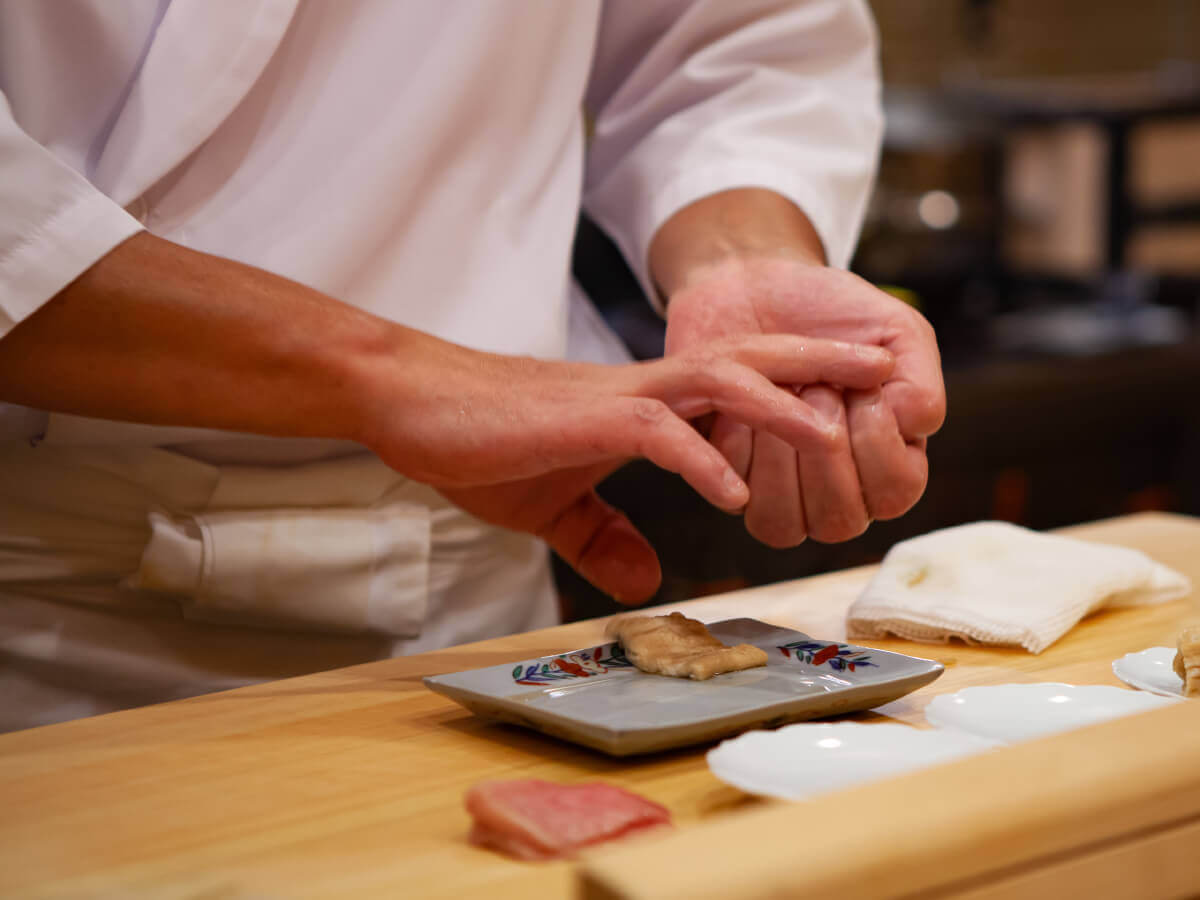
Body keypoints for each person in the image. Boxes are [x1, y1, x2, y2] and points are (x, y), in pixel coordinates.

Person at [0, 0, 944, 730]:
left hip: (469, 622)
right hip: (30, 636)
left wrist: (739, 259)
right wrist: (392, 376)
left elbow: (735, 46)